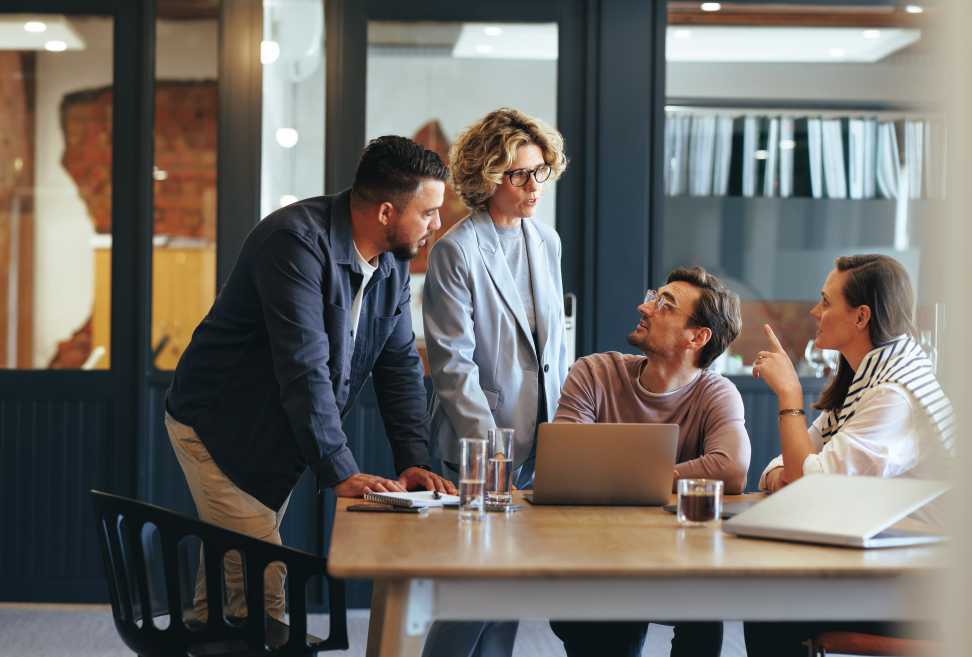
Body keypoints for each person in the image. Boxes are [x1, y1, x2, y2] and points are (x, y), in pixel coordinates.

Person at [164, 136, 457, 632]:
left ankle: (211, 632)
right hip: (220, 427)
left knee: (228, 585)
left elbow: (399, 365)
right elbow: (305, 365)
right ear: (387, 211)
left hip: (276, 429)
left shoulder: (390, 263)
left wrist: (414, 461)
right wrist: (340, 470)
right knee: (259, 593)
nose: (436, 225)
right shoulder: (294, 242)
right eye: (428, 212)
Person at [744, 253, 954, 657]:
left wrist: (789, 394)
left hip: (923, 586)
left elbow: (810, 484)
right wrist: (793, 474)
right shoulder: (866, 381)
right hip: (885, 558)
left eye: (825, 301)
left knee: (768, 600)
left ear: (861, 317)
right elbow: (787, 467)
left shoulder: (893, 396)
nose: (814, 311)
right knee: (767, 595)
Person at [420, 107, 569, 657]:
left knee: (507, 591)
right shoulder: (456, 251)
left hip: (541, 441)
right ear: (488, 177)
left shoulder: (546, 241)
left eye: (539, 172)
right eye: (520, 174)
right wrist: (493, 457)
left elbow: (554, 346)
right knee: (474, 593)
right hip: (479, 448)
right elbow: (452, 364)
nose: (534, 186)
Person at [548, 265, 750, 657]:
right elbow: (566, 460)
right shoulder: (594, 372)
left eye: (664, 305)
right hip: (599, 557)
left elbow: (730, 468)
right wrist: (666, 476)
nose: (645, 307)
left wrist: (619, 475)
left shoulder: (717, 393)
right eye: (653, 297)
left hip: (681, 562)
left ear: (697, 336)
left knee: (706, 604)